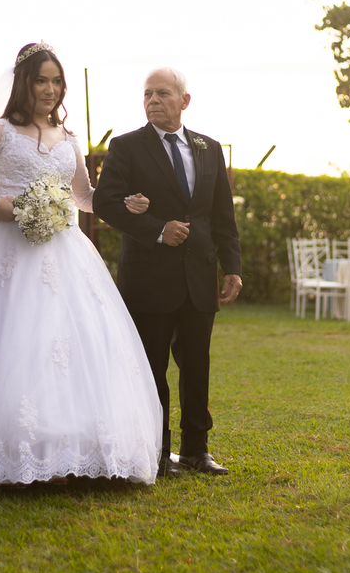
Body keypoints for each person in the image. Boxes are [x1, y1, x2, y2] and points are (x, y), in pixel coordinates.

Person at [0, 42, 163, 490]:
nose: (50, 88)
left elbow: (83, 197)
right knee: (13, 345)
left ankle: (73, 453)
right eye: (41, 80)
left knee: (71, 347)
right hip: (7, 251)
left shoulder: (70, 140)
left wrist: (124, 204)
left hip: (66, 252)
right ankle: (11, 454)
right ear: (24, 83)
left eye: (56, 81)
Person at [93, 67, 242, 478]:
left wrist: (233, 267)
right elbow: (105, 203)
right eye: (147, 94)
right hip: (148, 278)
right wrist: (157, 230)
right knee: (151, 369)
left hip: (199, 278)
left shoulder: (209, 148)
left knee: (197, 369)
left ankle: (197, 450)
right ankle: (156, 454)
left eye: (162, 93)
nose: (153, 100)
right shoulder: (125, 147)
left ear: (184, 101)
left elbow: (222, 218)